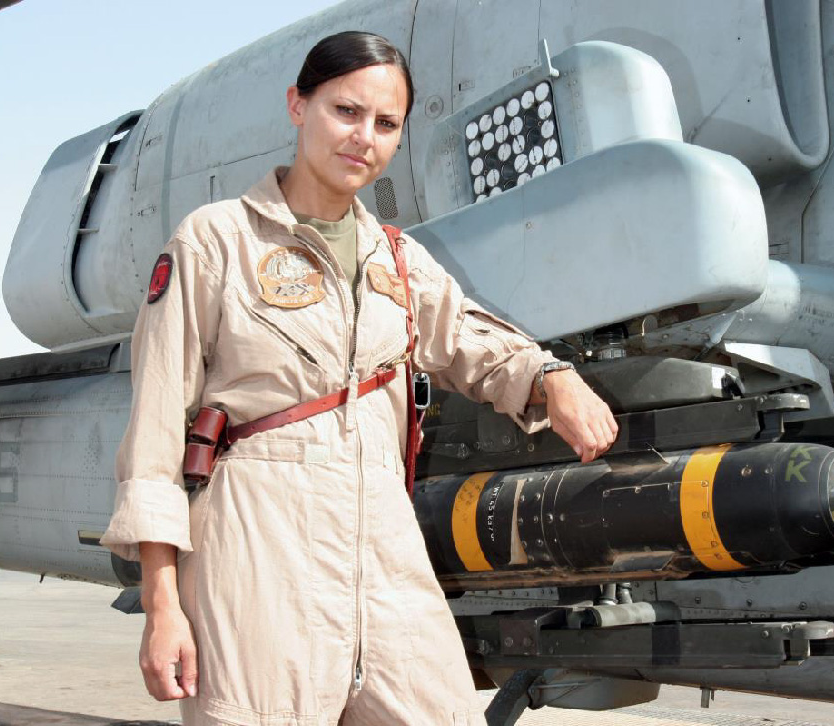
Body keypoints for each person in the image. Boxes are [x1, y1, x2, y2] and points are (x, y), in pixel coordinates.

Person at [99, 31, 618, 726]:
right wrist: (163, 606)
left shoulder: (396, 258)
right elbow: (158, 434)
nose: (362, 138)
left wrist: (554, 378)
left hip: (384, 545)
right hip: (256, 547)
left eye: (385, 124)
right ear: (297, 105)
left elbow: (468, 337)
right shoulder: (215, 242)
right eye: (345, 111)